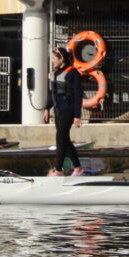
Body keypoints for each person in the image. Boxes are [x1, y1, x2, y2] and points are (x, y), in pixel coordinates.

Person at [43, 45, 84, 176]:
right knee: (64, 139)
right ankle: (78, 168)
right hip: (58, 110)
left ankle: (58, 170)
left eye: (54, 58)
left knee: (60, 138)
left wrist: (77, 115)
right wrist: (47, 108)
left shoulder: (73, 73)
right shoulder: (55, 73)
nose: (52, 60)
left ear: (62, 59)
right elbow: (52, 93)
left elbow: (78, 95)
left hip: (68, 110)